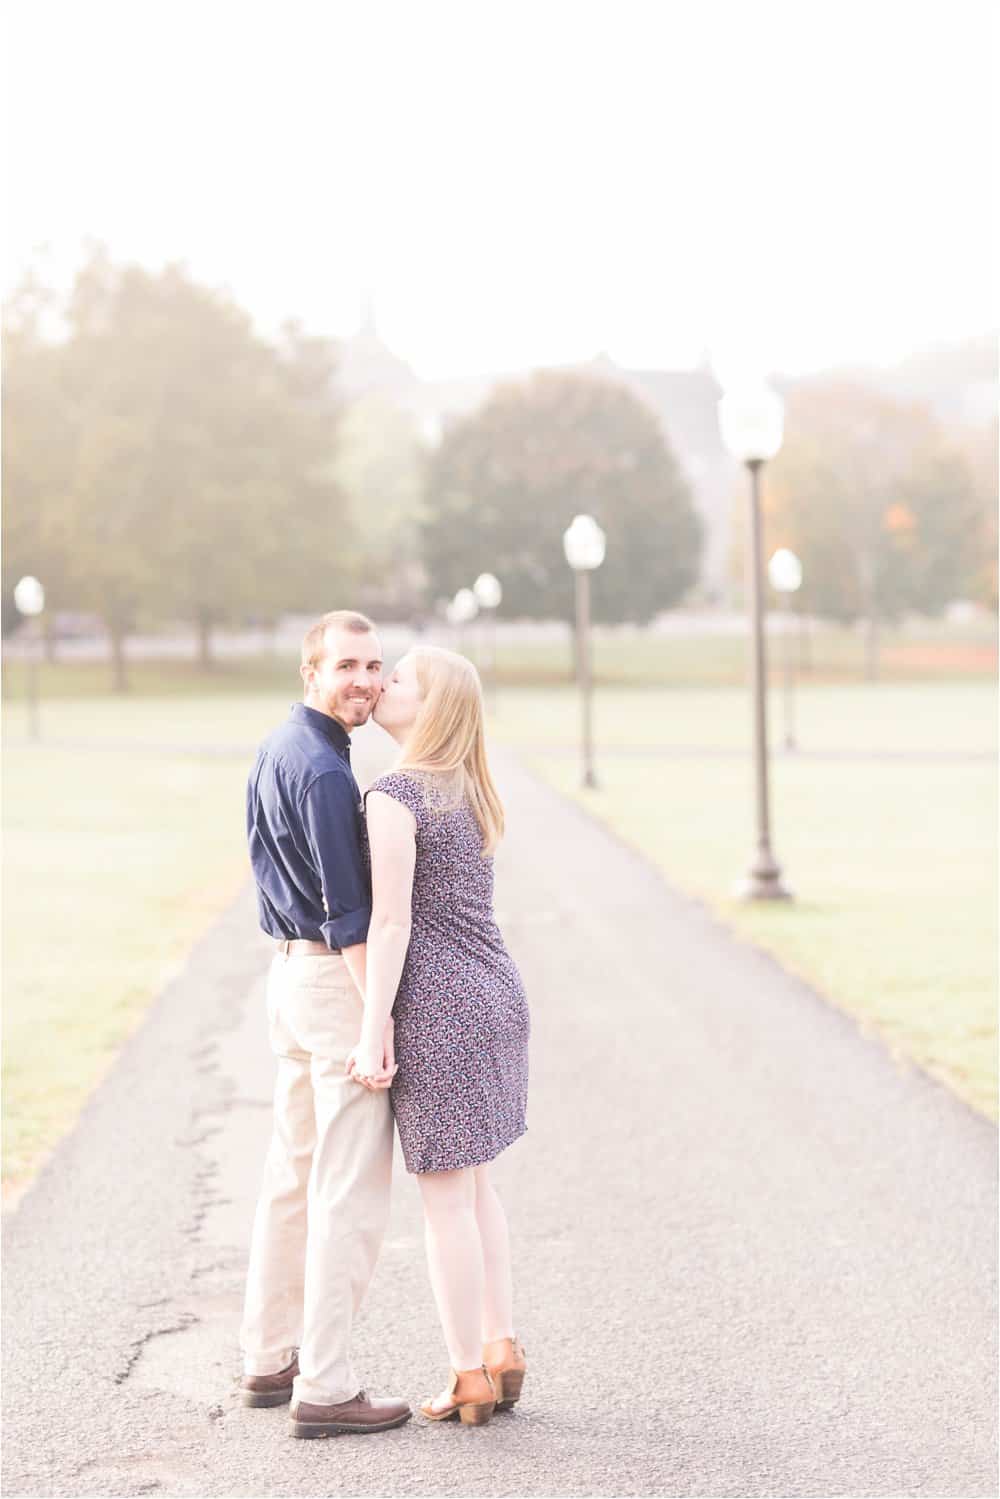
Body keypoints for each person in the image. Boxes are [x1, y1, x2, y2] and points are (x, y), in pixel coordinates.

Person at [238, 609, 411, 1439]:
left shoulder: (277, 747)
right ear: (312, 671)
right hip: (331, 983)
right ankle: (327, 1384)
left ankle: (268, 1357)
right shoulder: (327, 773)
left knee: (291, 1175)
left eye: (375, 666)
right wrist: (374, 1026)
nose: (365, 681)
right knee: (347, 1188)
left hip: (288, 979)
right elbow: (351, 919)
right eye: (347, 665)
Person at [351, 645, 530, 1427]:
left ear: (428, 708)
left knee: (443, 1204)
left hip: (442, 1009)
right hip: (497, 996)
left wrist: (371, 1026)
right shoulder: (470, 788)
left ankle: (466, 1375)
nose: (382, 683)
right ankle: (501, 1343)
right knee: (478, 1186)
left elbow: (390, 922)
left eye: (398, 680)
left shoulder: (394, 795)